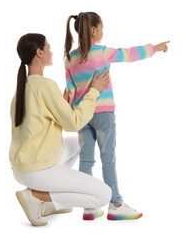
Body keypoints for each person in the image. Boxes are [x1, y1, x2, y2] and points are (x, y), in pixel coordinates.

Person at [64, 11, 170, 221]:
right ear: (94, 30)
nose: (103, 31)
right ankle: (115, 203)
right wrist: (155, 48)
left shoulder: (70, 58)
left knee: (86, 160)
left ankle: (88, 207)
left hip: (82, 115)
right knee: (108, 159)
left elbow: (70, 92)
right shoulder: (102, 52)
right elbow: (130, 53)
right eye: (102, 27)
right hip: (103, 113)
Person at [9, 33, 112, 226]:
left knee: (75, 144)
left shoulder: (22, 88)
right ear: (39, 53)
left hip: (22, 167)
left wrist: (62, 105)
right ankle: (39, 196)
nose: (51, 51)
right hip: (37, 170)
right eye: (48, 48)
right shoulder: (45, 86)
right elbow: (74, 123)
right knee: (104, 195)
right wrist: (94, 91)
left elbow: (38, 123)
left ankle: (49, 202)